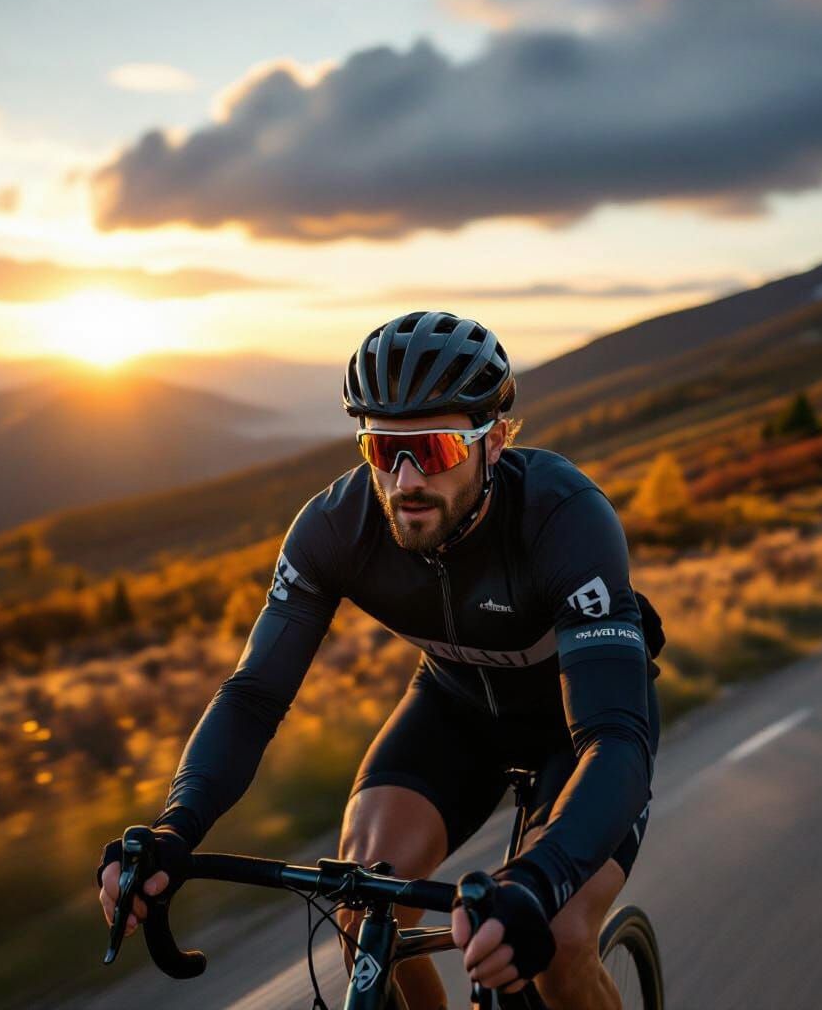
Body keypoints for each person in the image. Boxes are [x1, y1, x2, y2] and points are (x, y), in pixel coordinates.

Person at [97, 311, 662, 1010]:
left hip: (579, 734)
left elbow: (614, 737)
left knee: (557, 938)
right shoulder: (336, 527)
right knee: (361, 906)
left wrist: (538, 880)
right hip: (455, 710)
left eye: (434, 449)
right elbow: (252, 696)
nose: (404, 480)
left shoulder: (562, 517)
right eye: (382, 449)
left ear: (495, 442)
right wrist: (175, 826)